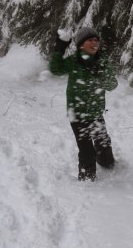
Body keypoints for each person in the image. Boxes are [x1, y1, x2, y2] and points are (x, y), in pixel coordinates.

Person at [50, 27, 118, 182]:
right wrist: (59, 48)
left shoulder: (103, 61)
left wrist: (101, 72)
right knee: (87, 150)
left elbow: (112, 85)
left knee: (103, 142)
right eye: (90, 40)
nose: (95, 43)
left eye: (96, 40)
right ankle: (87, 181)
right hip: (78, 114)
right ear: (81, 44)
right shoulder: (74, 61)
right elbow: (55, 69)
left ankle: (107, 165)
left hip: (95, 112)